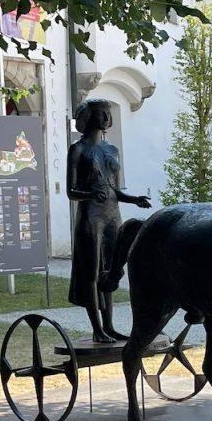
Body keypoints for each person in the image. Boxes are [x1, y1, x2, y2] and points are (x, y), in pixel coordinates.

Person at [66, 99, 151, 343]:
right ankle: (97, 328)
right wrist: (90, 194)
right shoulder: (78, 149)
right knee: (90, 272)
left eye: (106, 113)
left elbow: (114, 189)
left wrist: (134, 199)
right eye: (100, 113)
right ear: (87, 117)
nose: (105, 117)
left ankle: (110, 325)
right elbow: (72, 191)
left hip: (112, 213)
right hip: (91, 216)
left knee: (110, 271)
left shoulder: (111, 150)